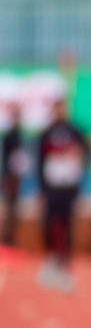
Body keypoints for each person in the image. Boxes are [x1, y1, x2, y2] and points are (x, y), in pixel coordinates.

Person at [35, 97, 89, 292]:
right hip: (51, 188)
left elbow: (86, 154)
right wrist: (41, 189)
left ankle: (65, 262)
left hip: (69, 188)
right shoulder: (46, 134)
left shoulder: (76, 132)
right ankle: (51, 257)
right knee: (49, 223)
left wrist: (79, 174)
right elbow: (39, 162)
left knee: (68, 225)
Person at [2, 101, 25, 249]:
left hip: (16, 177)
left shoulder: (20, 136)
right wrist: (7, 178)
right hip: (10, 178)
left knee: (15, 211)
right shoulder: (10, 137)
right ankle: (6, 243)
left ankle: (11, 243)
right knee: (10, 211)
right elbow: (7, 160)